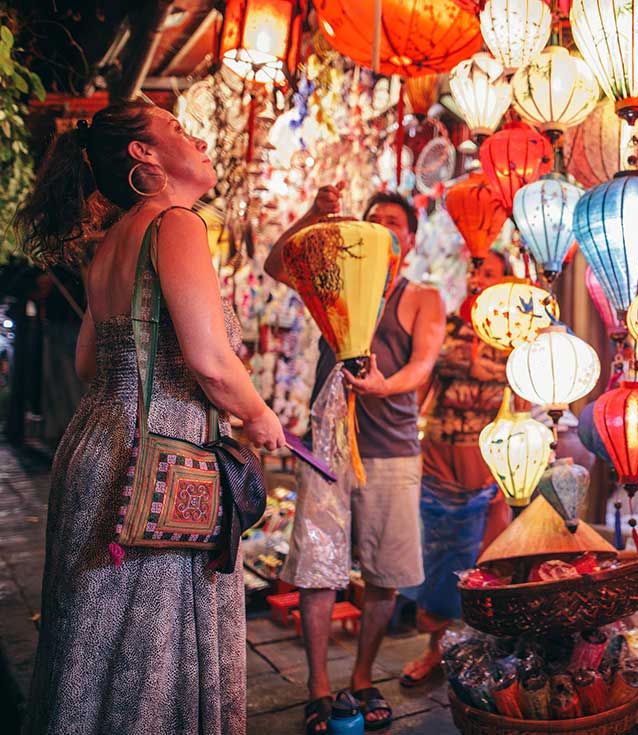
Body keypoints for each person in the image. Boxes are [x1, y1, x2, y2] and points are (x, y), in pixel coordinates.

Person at [15, 102, 285, 735]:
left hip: (99, 442)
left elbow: (89, 360)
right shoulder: (176, 224)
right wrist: (258, 415)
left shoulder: (112, 240)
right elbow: (212, 362)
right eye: (177, 128)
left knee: (90, 634)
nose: (195, 136)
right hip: (162, 453)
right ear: (145, 155)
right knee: (151, 644)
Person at [265, 186, 445, 732]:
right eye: (374, 221)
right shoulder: (330, 281)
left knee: (385, 574)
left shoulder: (422, 297)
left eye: (394, 223)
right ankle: (320, 686)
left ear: (407, 242)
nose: (384, 228)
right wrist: (314, 215)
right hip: (326, 446)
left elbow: (423, 365)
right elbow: (277, 262)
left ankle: (362, 677)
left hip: (392, 449)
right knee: (317, 570)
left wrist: (386, 385)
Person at [399, 252, 517, 686]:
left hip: (492, 467)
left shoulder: (515, 333)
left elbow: (524, 400)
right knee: (440, 566)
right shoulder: (445, 324)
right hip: (440, 459)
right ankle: (437, 651)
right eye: (474, 270)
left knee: (489, 566)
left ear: (507, 281)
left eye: (489, 272)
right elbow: (421, 383)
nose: (477, 278)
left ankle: (486, 654)